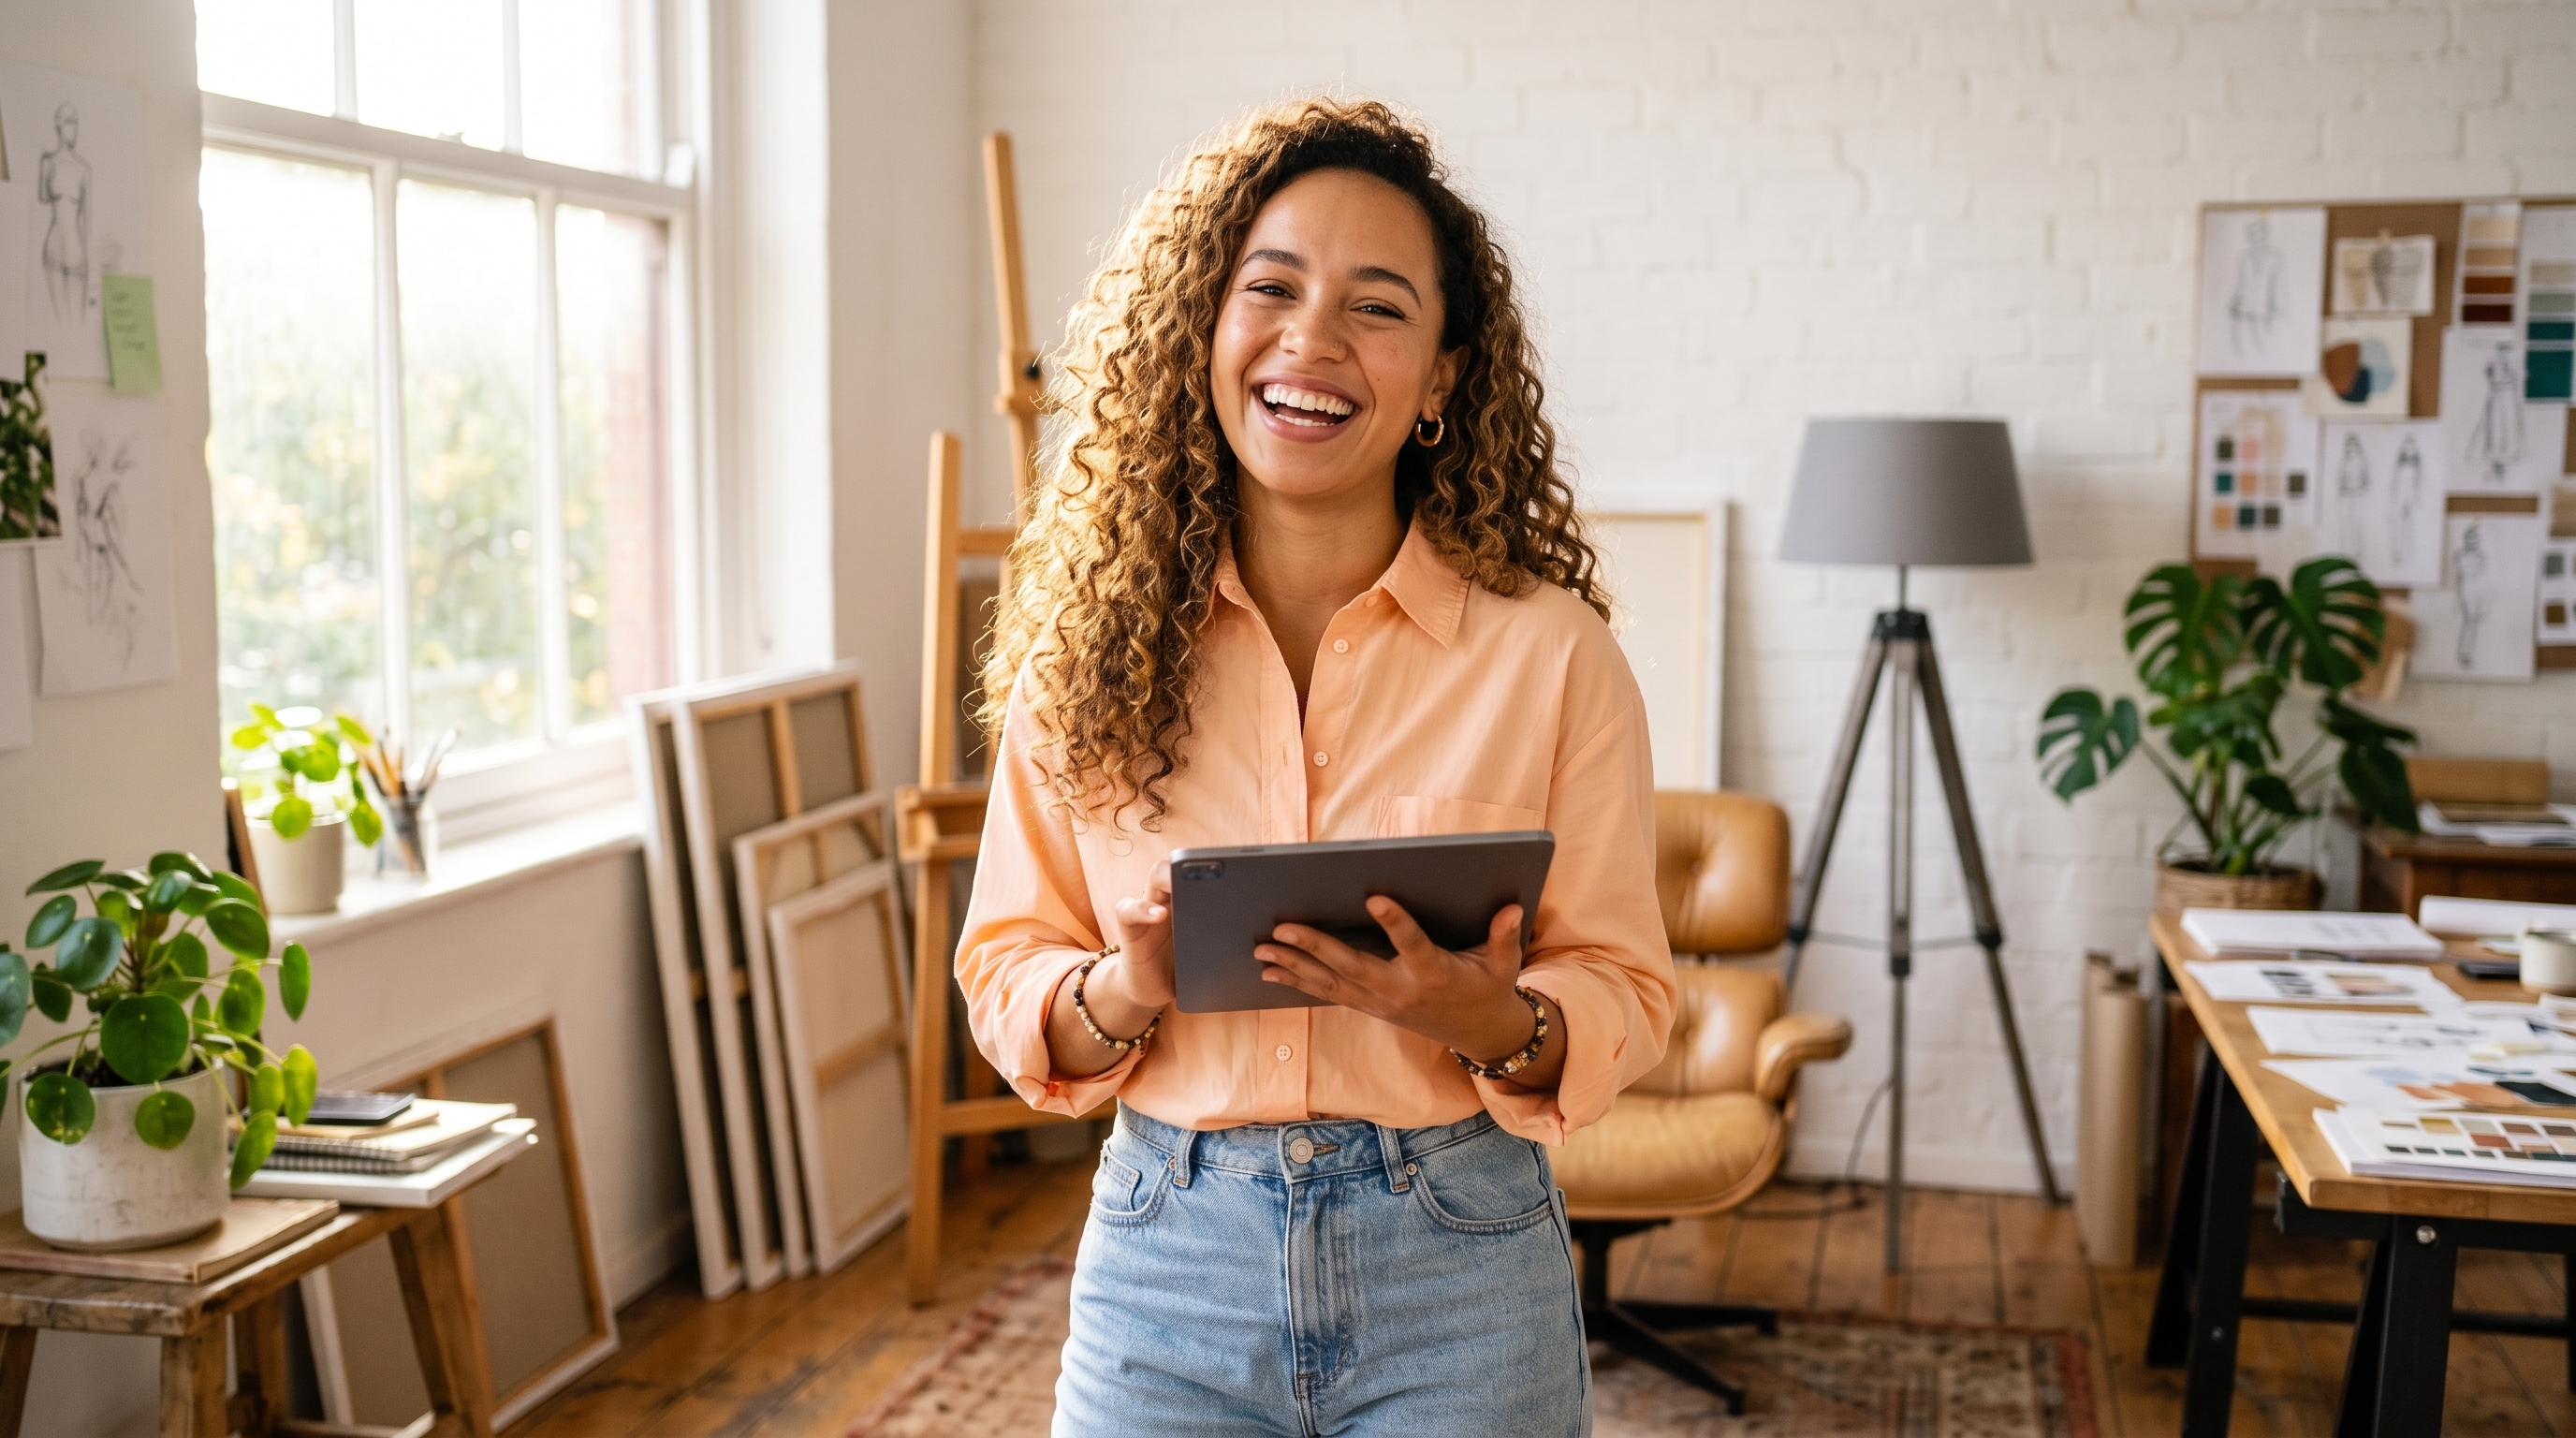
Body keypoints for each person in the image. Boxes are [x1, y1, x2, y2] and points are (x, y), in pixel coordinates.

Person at [956, 98, 1675, 1437]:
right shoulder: (1085, 651)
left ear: (1446, 380)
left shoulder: (1554, 656)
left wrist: (1494, 1024)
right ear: (1203, 332)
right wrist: (1125, 989)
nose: (1311, 341)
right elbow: (1006, 964)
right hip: (1169, 1260)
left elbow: (1626, 980)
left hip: (1461, 1260)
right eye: (1270, 288)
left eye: (1378, 307)